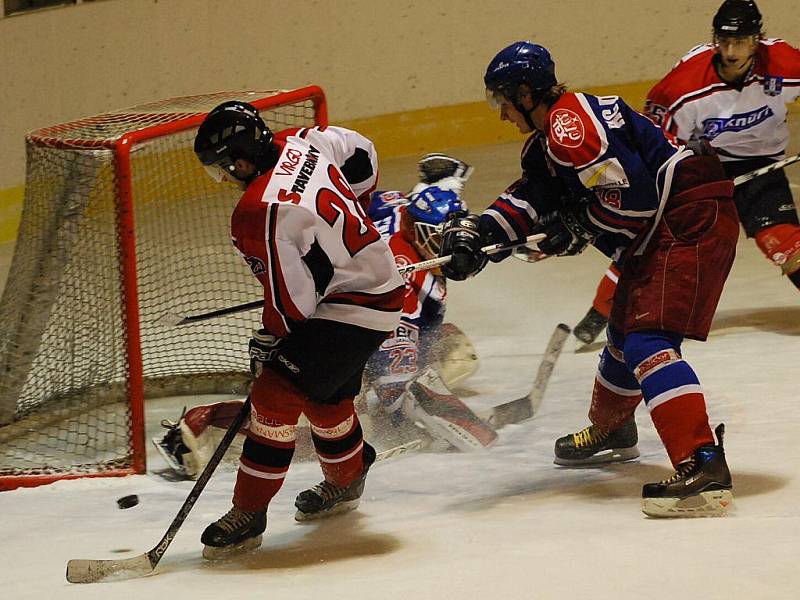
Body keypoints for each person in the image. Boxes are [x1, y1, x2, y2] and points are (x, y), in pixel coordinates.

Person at [440, 40, 737, 517]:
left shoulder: (569, 126)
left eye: (502, 100)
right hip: (668, 221)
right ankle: (614, 428)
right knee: (623, 331)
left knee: (646, 339)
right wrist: (477, 235)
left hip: (685, 218)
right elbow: (533, 198)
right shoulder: (550, 139)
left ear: (525, 91)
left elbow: (634, 200)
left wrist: (577, 227)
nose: (501, 113)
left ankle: (703, 466)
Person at [155, 157, 494, 481]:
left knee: (457, 351)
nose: (444, 251)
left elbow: (440, 179)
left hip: (331, 299)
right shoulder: (406, 285)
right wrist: (431, 419)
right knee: (353, 422)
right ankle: (205, 424)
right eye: (436, 242)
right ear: (414, 229)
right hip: (335, 332)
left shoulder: (403, 207)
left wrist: (447, 177)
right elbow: (393, 385)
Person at [191, 101, 405, 558]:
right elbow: (361, 152)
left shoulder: (256, 212)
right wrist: (359, 214)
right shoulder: (304, 142)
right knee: (326, 396)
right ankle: (349, 475)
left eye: (223, 168)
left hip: (353, 307)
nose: (225, 178)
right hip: (378, 285)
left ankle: (248, 513)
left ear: (240, 160)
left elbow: (294, 306)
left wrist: (272, 340)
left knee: (276, 395)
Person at [574, 0, 800, 347]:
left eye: (739, 42)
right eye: (723, 41)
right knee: (657, 240)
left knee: (786, 244)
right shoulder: (682, 87)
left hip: (761, 163)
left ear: (756, 40)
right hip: (702, 166)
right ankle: (602, 310)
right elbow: (652, 143)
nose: (729, 51)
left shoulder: (783, 63)